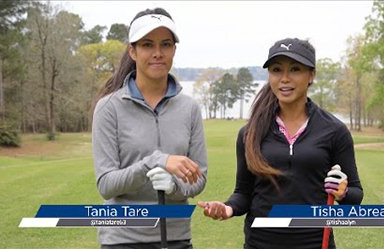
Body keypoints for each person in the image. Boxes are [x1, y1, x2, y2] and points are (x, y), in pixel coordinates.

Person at [198, 38, 363, 249]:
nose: (284, 78)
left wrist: (343, 192)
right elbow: (244, 193)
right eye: (276, 70)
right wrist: (227, 208)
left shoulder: (334, 131)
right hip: (260, 244)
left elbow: (355, 195)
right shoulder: (250, 133)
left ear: (311, 75)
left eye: (295, 69)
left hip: (314, 244)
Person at [92, 7, 207, 249]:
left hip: (177, 239)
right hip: (123, 240)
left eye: (165, 44)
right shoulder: (109, 108)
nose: (157, 53)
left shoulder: (189, 108)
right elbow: (106, 185)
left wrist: (174, 186)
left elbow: (199, 179)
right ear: (132, 51)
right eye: (147, 44)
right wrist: (152, 163)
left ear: (174, 50)